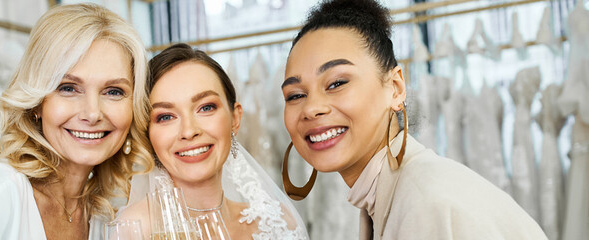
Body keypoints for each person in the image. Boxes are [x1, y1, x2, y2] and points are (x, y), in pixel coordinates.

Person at [279, 0, 546, 239]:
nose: (311, 108)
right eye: (295, 95)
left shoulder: (426, 203)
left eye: (337, 83)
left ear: (395, 88)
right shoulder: (391, 194)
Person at [0, 4, 153, 239]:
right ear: (37, 102)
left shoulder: (102, 215)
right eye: (68, 88)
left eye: (113, 91)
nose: (92, 114)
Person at [117, 43, 308, 239]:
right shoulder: (133, 229)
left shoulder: (279, 223)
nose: (189, 131)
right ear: (146, 133)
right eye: (165, 117)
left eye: (205, 107)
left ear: (235, 118)